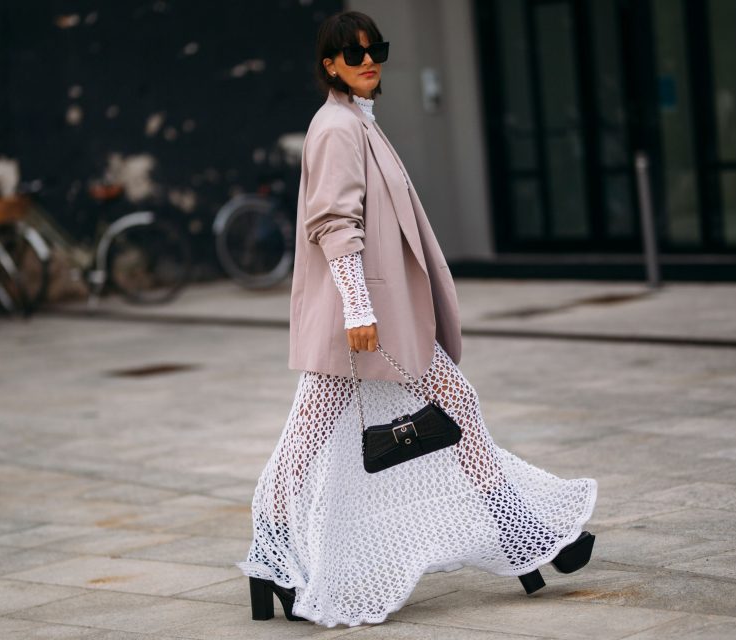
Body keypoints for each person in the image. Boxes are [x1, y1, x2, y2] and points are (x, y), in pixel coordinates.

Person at [236, 10, 598, 628]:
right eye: (353, 54)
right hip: (365, 322)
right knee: (422, 416)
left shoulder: (356, 121)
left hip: (376, 319)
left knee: (318, 439)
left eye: (375, 48)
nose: (368, 60)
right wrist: (357, 308)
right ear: (329, 66)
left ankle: (525, 538)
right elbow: (333, 224)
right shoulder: (335, 129)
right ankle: (527, 538)